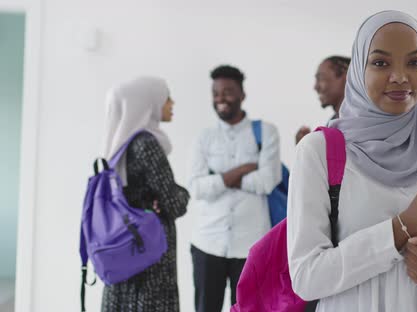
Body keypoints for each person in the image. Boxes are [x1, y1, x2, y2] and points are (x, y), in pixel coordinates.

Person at [287, 11, 417, 312]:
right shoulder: (318, 151)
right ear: (359, 69)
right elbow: (306, 277)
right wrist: (402, 227)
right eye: (381, 63)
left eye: (414, 62)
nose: (400, 77)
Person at [187, 65, 282, 312]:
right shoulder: (203, 137)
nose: (221, 99)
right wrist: (241, 171)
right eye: (216, 93)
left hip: (250, 245)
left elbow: (267, 181)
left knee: (249, 309)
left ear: (242, 94)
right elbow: (197, 187)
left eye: (228, 92)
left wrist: (218, 178)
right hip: (208, 243)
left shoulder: (266, 132)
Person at [101, 77, 189, 312]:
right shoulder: (145, 144)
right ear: (147, 102)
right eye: (166, 97)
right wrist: (184, 194)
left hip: (124, 258)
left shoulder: (117, 146)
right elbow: (175, 202)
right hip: (150, 262)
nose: (171, 103)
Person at [295, 56, 350, 144]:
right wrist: (309, 148)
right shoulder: (334, 122)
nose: (316, 87)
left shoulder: (356, 124)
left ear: (346, 78)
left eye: (321, 78)